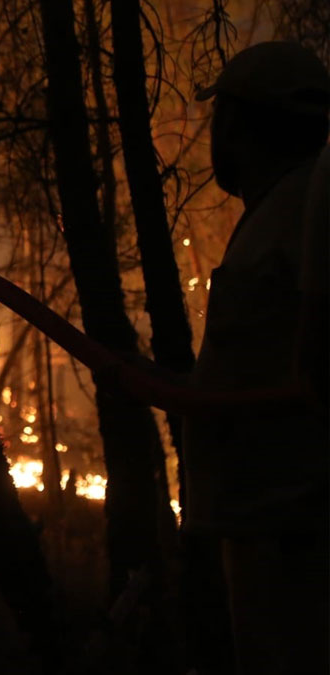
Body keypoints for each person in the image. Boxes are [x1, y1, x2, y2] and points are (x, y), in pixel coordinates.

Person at [185, 41, 330, 675]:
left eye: (220, 119)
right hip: (267, 516)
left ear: (242, 124)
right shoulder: (283, 209)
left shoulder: (310, 211)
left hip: (296, 526)